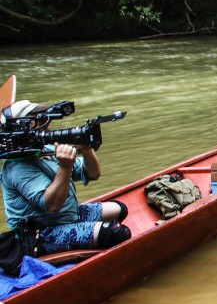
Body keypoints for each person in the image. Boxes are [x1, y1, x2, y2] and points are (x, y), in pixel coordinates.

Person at [1, 100, 131, 254]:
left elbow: (93, 173)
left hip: (65, 216)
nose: (46, 124)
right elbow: (52, 205)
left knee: (120, 209)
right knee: (117, 232)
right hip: (40, 232)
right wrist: (65, 166)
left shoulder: (47, 149)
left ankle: (86, 235)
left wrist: (86, 150)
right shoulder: (17, 167)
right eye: (40, 120)